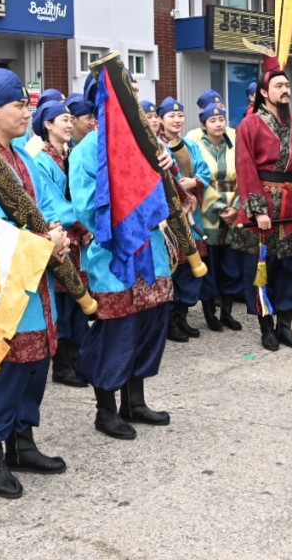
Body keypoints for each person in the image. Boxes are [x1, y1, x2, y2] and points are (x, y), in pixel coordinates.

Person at [0, 69, 69, 499]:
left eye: (26, 103)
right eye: (19, 105)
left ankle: (23, 444)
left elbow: (45, 206)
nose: (27, 111)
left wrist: (54, 231)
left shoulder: (20, 155)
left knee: (32, 369)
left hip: (32, 279)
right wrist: (44, 241)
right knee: (0, 373)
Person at [70, 79, 175, 442]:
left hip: (152, 249)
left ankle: (136, 401)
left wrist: (166, 164)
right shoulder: (86, 149)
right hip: (113, 254)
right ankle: (105, 409)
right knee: (116, 333)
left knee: (149, 325)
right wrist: (125, 225)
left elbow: (170, 193)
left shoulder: (149, 142)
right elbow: (85, 206)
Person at [236, 64, 292, 351]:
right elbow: (245, 168)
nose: (285, 89)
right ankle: (266, 328)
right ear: (264, 93)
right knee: (263, 268)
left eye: (287, 85)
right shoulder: (249, 125)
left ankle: (285, 326)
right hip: (263, 203)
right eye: (278, 86)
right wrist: (258, 210)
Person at [27, 100, 91, 387]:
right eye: (61, 119)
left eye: (69, 119)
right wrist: (83, 222)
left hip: (79, 239)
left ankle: (77, 361)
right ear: (47, 124)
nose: (68, 124)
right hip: (62, 239)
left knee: (80, 303)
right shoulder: (40, 160)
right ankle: (63, 365)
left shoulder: (71, 155)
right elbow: (50, 205)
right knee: (64, 304)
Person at [157, 97, 210, 342]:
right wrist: (180, 186)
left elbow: (204, 171)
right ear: (160, 119)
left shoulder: (191, 145)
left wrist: (195, 182)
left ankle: (182, 315)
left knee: (191, 268)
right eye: (171, 116)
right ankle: (168, 321)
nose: (177, 120)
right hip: (170, 218)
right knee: (174, 268)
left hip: (193, 213)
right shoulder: (156, 146)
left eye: (180, 116)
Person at [190, 103, 244, 332]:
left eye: (221, 119)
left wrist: (237, 208)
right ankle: (210, 313)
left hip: (235, 211)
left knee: (231, 266)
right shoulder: (195, 145)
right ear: (204, 124)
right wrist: (221, 207)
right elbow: (198, 179)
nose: (219, 124)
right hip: (208, 213)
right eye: (212, 121)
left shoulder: (235, 143)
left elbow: (245, 176)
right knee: (210, 265)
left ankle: (227, 313)